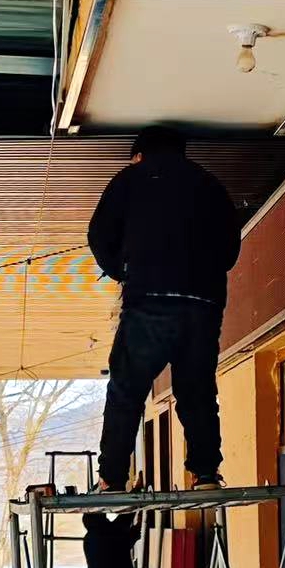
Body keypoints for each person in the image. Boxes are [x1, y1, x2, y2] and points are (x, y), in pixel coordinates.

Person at [88, 125, 241, 491]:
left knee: (127, 389)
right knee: (197, 390)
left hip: (149, 299)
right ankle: (206, 474)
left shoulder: (130, 179)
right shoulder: (210, 185)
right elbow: (230, 250)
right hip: (203, 305)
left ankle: (112, 478)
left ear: (139, 155)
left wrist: (122, 271)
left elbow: (99, 236)